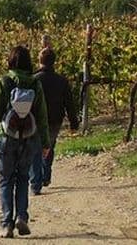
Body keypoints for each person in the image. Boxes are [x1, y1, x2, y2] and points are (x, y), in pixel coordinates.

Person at [0, 46, 50, 239]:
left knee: (6, 180)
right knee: (23, 177)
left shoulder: (4, 81)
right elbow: (41, 116)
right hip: (29, 137)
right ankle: (22, 217)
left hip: (7, 137)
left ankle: (6, 224)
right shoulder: (35, 84)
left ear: (10, 61)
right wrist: (46, 143)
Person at [30, 47, 79, 194]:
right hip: (55, 120)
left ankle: (35, 182)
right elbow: (69, 103)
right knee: (49, 146)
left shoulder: (33, 80)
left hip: (36, 119)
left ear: (39, 61)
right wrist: (73, 123)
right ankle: (46, 175)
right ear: (54, 62)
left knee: (35, 150)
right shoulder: (62, 81)